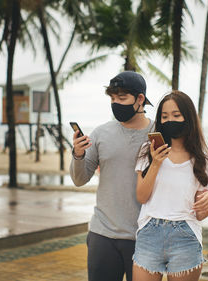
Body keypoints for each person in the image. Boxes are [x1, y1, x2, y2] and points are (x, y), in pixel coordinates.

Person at [70, 71, 154, 281]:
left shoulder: (157, 134)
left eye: (122, 98)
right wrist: (78, 155)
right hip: (102, 235)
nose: (116, 103)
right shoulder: (101, 133)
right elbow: (79, 179)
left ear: (140, 99)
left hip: (145, 236)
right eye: (112, 99)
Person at [133, 91, 208, 281]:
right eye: (164, 117)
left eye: (176, 115)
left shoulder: (203, 160)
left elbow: (200, 213)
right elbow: (141, 196)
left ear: (187, 118)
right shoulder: (148, 150)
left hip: (185, 236)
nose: (169, 120)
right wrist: (156, 163)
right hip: (149, 232)